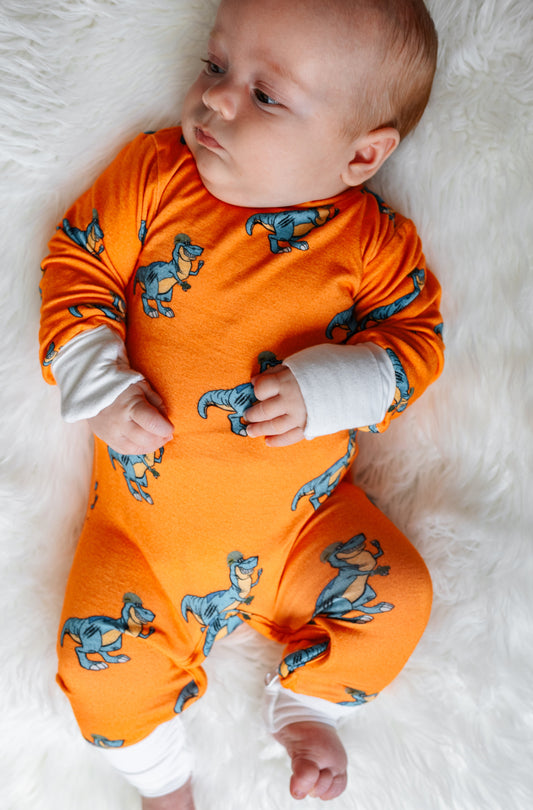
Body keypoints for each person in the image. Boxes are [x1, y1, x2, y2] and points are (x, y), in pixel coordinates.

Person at [39, 0, 444, 806]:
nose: (217, 100)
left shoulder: (369, 243)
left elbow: (415, 345)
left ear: (362, 154)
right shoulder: (155, 177)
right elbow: (76, 264)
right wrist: (100, 387)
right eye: (216, 66)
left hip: (303, 530)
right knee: (95, 667)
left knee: (400, 594)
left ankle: (309, 703)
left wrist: (332, 387)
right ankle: (164, 784)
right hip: (141, 544)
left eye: (267, 96)